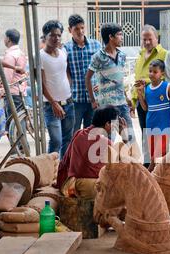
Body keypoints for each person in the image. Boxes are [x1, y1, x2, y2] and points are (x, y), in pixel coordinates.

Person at [56, 106, 127, 200]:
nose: (115, 128)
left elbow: (65, 162)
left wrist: (60, 183)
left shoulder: (79, 133)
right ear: (107, 124)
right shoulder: (105, 141)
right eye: (115, 124)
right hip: (90, 187)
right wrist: (124, 136)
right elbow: (124, 162)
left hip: (71, 184)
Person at [85, 23, 135, 143]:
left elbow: (119, 80)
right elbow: (88, 78)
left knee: (129, 137)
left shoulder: (122, 56)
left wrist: (127, 98)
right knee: (107, 140)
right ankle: (106, 162)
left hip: (122, 103)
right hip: (106, 106)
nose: (122, 37)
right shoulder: (98, 57)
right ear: (110, 37)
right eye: (119, 34)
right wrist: (93, 100)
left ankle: (130, 161)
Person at [136, 59, 170, 172]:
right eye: (150, 71)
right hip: (150, 125)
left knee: (156, 155)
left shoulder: (167, 87)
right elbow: (145, 108)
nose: (151, 74)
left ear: (162, 74)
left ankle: (147, 174)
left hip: (163, 128)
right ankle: (157, 179)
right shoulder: (147, 89)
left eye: (155, 72)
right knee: (156, 156)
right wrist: (140, 94)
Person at [132, 24, 168, 165]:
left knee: (160, 134)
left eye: (150, 39)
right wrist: (134, 100)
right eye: (144, 39)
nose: (147, 42)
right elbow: (137, 78)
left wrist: (145, 81)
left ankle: (160, 165)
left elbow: (166, 78)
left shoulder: (164, 54)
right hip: (142, 101)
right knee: (145, 133)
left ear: (156, 38)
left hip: (158, 103)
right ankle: (148, 164)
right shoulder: (140, 55)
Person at [41, 20, 75, 158]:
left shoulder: (62, 53)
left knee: (68, 139)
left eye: (59, 35)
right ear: (45, 37)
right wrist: (54, 103)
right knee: (56, 140)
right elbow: (41, 84)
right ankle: (50, 172)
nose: (57, 38)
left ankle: (63, 171)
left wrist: (69, 89)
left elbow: (66, 72)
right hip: (51, 106)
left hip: (68, 102)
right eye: (53, 35)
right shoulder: (40, 56)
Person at [65, 14, 101, 134]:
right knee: (73, 132)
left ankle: (86, 153)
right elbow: (66, 72)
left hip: (94, 98)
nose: (80, 31)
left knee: (91, 133)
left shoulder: (96, 45)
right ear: (70, 30)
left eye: (82, 28)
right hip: (76, 98)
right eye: (76, 29)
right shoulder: (66, 49)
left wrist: (101, 85)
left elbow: (102, 68)